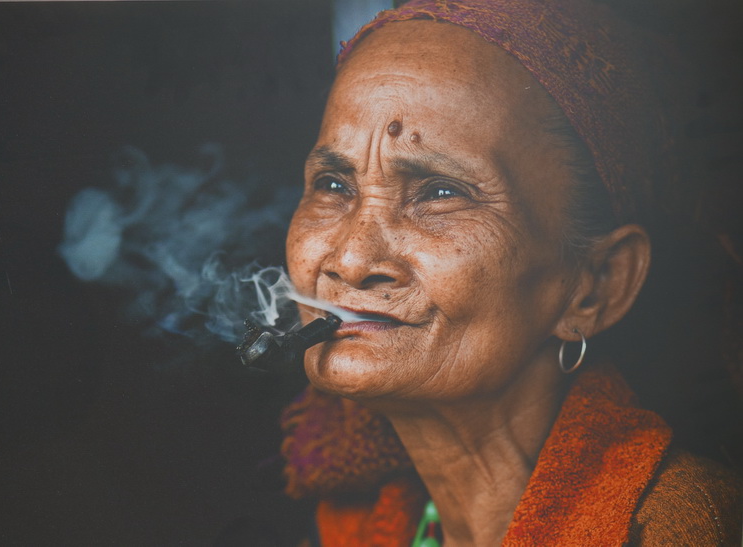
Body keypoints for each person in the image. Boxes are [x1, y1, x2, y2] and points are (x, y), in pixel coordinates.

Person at [278, 0, 742, 545]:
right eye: (333, 184)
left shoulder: (687, 529)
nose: (351, 262)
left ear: (596, 285)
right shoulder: (364, 524)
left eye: (441, 193)